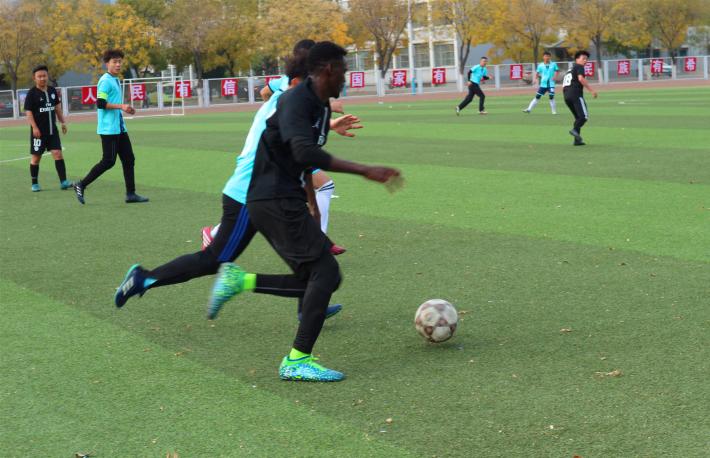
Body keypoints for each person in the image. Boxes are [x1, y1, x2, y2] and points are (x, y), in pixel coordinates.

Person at [113, 40, 360, 322]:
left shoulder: (291, 99)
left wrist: (329, 124)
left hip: (269, 190)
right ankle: (144, 278)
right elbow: (294, 139)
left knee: (309, 256)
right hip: (250, 192)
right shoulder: (289, 100)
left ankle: (308, 307)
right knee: (215, 259)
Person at [208, 41, 402, 382]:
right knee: (325, 274)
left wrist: (312, 205)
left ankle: (240, 281)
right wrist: (364, 170)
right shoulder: (294, 101)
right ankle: (297, 359)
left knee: (323, 278)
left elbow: (304, 157)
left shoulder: (321, 106)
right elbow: (303, 152)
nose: (346, 77)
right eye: (343, 70)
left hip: (286, 198)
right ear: (328, 69)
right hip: (270, 198)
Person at [73, 49, 149, 204]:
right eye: (115, 62)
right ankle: (81, 184)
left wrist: (125, 108)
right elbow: (100, 104)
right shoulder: (105, 81)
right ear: (107, 63)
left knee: (129, 159)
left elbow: (112, 103)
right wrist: (121, 106)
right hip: (109, 129)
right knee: (108, 161)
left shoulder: (115, 79)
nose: (118, 64)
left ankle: (131, 194)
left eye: (120, 61)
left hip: (119, 127)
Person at [24, 65, 72, 192]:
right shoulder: (31, 93)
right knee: (36, 158)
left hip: (52, 131)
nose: (42, 78)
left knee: (58, 154)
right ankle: (34, 183)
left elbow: (57, 108)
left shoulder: (52, 90)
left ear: (47, 76)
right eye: (39, 76)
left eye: (44, 76)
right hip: (38, 133)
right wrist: (34, 128)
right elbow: (28, 112)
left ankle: (63, 182)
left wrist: (63, 122)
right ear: (34, 78)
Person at [562, 50, 598, 146]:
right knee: (584, 117)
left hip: (566, 96)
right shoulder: (579, 66)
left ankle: (577, 141)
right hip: (576, 95)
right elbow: (581, 79)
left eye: (586, 59)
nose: (585, 61)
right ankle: (574, 130)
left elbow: (564, 84)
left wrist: (567, 94)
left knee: (578, 117)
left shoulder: (570, 69)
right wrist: (592, 91)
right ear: (577, 59)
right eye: (583, 58)